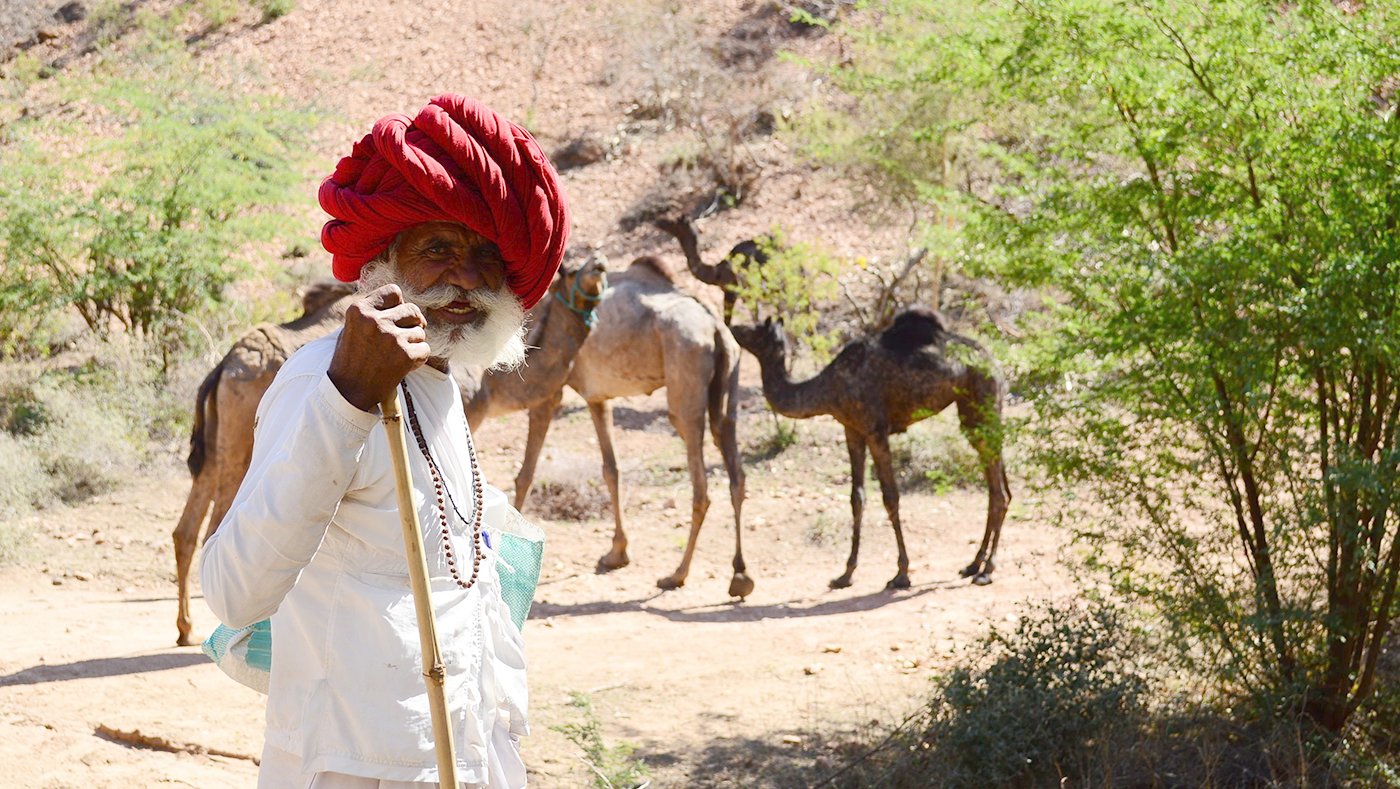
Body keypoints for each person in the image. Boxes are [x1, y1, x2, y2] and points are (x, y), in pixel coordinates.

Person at [200, 94, 569, 789]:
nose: (464, 278)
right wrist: (347, 398)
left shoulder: (443, 383)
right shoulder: (323, 380)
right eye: (437, 249)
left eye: (484, 255)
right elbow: (232, 590)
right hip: (352, 768)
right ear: (384, 259)